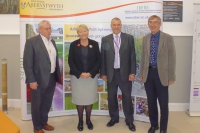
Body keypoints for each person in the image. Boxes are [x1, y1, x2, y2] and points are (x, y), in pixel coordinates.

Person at [23, 20, 61, 133]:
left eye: (50, 28)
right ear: (39, 29)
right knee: (37, 104)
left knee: (46, 102)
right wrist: (31, 80)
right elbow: (27, 63)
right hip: (38, 80)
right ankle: (37, 127)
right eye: (46, 29)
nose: (49, 31)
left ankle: (44, 122)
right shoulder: (32, 42)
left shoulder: (52, 42)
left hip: (52, 78)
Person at [140, 15, 176, 133]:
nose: (153, 24)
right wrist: (141, 73)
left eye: (155, 22)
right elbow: (143, 57)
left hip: (162, 75)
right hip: (148, 74)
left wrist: (171, 76)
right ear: (148, 24)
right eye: (151, 22)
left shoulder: (167, 38)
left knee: (163, 103)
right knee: (151, 102)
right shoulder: (145, 38)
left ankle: (163, 128)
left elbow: (172, 58)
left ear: (160, 24)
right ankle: (154, 125)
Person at [100, 17, 136, 132]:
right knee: (111, 97)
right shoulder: (105, 39)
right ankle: (114, 118)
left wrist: (132, 72)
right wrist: (103, 73)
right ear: (111, 26)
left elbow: (132, 56)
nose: (116, 26)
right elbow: (103, 57)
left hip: (125, 73)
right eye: (114, 25)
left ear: (121, 25)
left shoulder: (129, 38)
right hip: (111, 73)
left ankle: (129, 120)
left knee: (126, 97)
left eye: (118, 24)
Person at [68, 24, 101, 131]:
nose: (83, 33)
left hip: (91, 77)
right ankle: (80, 121)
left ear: (88, 32)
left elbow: (98, 61)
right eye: (80, 31)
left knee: (89, 99)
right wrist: (80, 73)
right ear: (78, 33)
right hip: (78, 78)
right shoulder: (73, 45)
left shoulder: (94, 44)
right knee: (80, 100)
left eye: (84, 31)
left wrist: (91, 73)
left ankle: (88, 120)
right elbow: (70, 61)